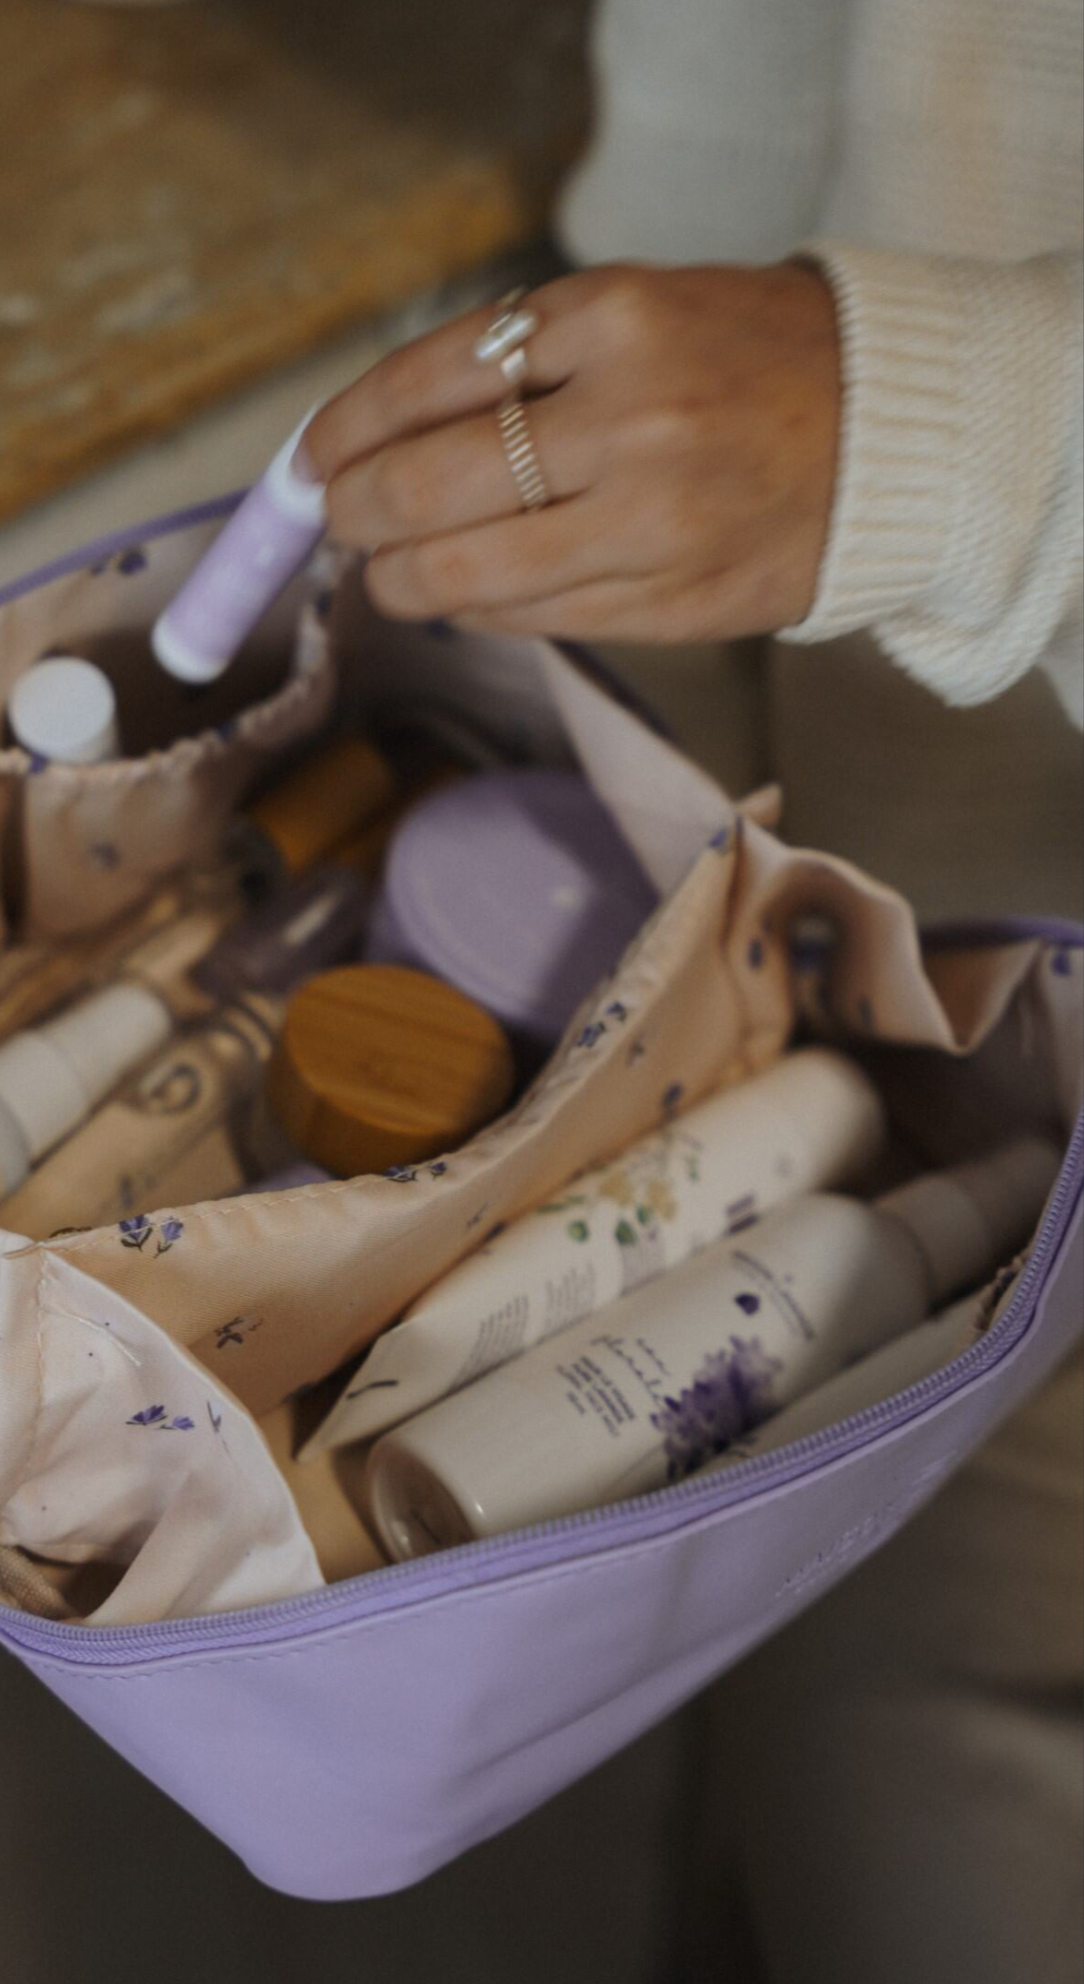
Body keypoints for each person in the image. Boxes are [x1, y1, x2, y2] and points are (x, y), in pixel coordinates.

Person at [305, 2, 1083, 1979]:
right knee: (854, 1682)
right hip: (835, 573)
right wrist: (681, 285)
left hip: (947, 508)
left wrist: (938, 432)